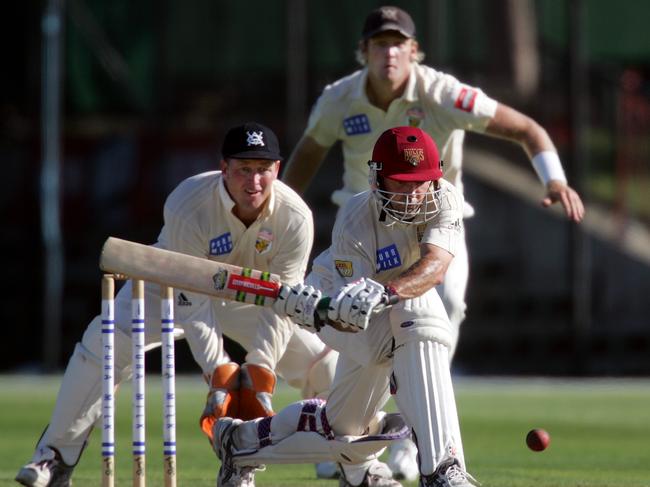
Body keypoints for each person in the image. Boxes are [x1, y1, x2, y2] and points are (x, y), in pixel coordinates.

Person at [282, 5, 585, 480]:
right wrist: (282, 215)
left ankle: (415, 438)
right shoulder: (338, 99)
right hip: (361, 223)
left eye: (397, 44)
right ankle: (348, 439)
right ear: (363, 52)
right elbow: (307, 154)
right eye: (379, 44)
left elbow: (529, 129)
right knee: (351, 324)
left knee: (440, 312)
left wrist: (554, 180)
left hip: (434, 221)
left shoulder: (443, 93)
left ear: (414, 51)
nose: (389, 54)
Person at [15, 122, 337, 487]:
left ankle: (340, 460)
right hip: (170, 285)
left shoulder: (295, 217)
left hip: (252, 299)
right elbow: (193, 300)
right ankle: (54, 457)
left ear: (276, 170)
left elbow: (281, 301)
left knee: (324, 365)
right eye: (244, 170)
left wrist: (260, 369)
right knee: (103, 343)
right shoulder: (189, 202)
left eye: (263, 170)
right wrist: (218, 369)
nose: (254, 182)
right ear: (224, 168)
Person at [212, 127, 478, 487]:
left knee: (346, 434)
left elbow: (436, 265)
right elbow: (352, 315)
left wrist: (386, 292)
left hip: (387, 304)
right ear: (377, 179)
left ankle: (238, 445)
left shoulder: (444, 199)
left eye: (421, 182)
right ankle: (443, 469)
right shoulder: (355, 218)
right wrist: (331, 308)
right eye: (402, 183)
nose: (414, 195)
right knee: (420, 313)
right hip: (336, 309)